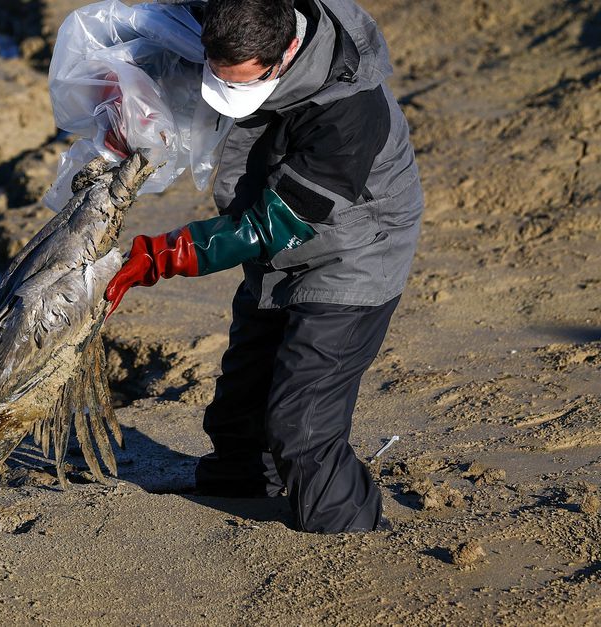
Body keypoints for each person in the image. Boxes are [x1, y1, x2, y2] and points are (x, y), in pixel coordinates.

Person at [103, 0, 423, 533]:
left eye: (243, 85)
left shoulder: (350, 111)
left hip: (354, 251)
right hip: (274, 250)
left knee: (301, 424)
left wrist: (161, 256)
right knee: (240, 405)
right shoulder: (239, 12)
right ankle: (244, 490)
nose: (229, 96)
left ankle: (347, 533)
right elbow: (150, 36)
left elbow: (272, 225)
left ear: (288, 50)